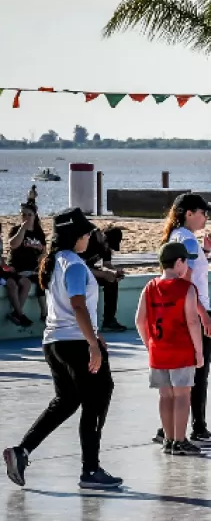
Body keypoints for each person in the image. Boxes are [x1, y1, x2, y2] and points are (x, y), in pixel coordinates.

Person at [3, 208, 122, 489]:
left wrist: (94, 334)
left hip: (54, 343)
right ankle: (90, 471)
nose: (90, 236)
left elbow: (68, 308)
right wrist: (92, 343)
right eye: (87, 233)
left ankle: (22, 451)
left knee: (67, 400)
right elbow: (78, 306)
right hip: (77, 343)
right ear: (77, 236)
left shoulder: (55, 262)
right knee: (97, 397)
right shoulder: (77, 266)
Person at [156, 193, 211, 446]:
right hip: (193, 312)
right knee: (198, 373)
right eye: (203, 212)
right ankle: (199, 428)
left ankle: (168, 428)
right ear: (189, 214)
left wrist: (205, 251)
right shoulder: (187, 240)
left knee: (180, 374)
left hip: (178, 313)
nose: (206, 216)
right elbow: (186, 282)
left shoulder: (178, 238)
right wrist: (203, 313)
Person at [135, 242, 204, 457]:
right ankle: (180, 440)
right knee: (182, 395)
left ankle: (168, 439)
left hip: (159, 350)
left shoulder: (150, 287)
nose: (187, 265)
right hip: (181, 349)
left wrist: (149, 343)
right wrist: (199, 352)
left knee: (165, 396)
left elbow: (139, 320)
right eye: (185, 260)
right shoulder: (187, 288)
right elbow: (193, 321)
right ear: (178, 262)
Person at [5, 201, 47, 327]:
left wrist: (41, 258)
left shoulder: (39, 233)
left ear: (35, 216)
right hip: (17, 268)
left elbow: (44, 252)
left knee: (39, 282)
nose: (26, 217)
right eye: (24, 215)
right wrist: (22, 228)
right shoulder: (16, 230)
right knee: (23, 282)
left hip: (32, 269)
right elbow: (13, 244)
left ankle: (42, 313)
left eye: (30, 215)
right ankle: (18, 314)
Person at [80, 226, 127, 332]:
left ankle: (109, 320)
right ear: (104, 238)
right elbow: (81, 267)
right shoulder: (88, 241)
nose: (108, 248)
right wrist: (104, 274)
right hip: (79, 272)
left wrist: (115, 272)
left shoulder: (106, 246)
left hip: (90, 270)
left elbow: (107, 264)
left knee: (112, 280)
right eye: (108, 245)